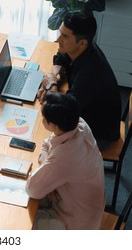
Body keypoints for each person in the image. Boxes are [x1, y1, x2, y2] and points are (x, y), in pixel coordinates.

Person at [37, 12, 121, 150]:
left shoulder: (90, 73)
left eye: (65, 36)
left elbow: (65, 112)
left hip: (98, 134)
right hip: (86, 112)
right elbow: (61, 56)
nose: (58, 40)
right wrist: (53, 75)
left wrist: (51, 85)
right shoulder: (82, 49)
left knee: (42, 140)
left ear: (82, 43)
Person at [26, 92, 105, 230]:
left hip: (76, 222)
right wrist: (48, 167)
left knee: (21, 220)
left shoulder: (65, 155)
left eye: (44, 118)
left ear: (55, 126)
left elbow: (32, 189)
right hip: (86, 205)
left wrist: (47, 170)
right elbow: (47, 143)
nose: (41, 119)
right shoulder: (79, 123)